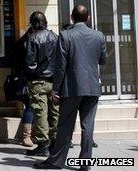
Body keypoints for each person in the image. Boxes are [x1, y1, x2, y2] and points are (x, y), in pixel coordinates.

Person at [33, 5, 108, 170]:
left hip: (72, 87)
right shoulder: (99, 36)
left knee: (65, 126)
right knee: (88, 126)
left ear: (71, 18)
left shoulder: (65, 36)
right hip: (92, 87)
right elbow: (103, 60)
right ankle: (85, 164)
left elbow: (60, 66)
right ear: (88, 17)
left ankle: (57, 161)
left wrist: (55, 90)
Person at [24, 11, 59, 156]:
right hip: (55, 81)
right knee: (54, 112)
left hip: (38, 81)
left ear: (33, 24)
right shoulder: (56, 37)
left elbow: (30, 64)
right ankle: (55, 141)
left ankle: (43, 144)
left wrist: (30, 77)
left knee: (40, 114)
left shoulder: (33, 39)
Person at [10, 27, 35, 147]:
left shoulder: (20, 43)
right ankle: (27, 136)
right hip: (28, 80)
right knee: (30, 106)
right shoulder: (28, 44)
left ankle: (28, 135)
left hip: (23, 79)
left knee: (30, 106)